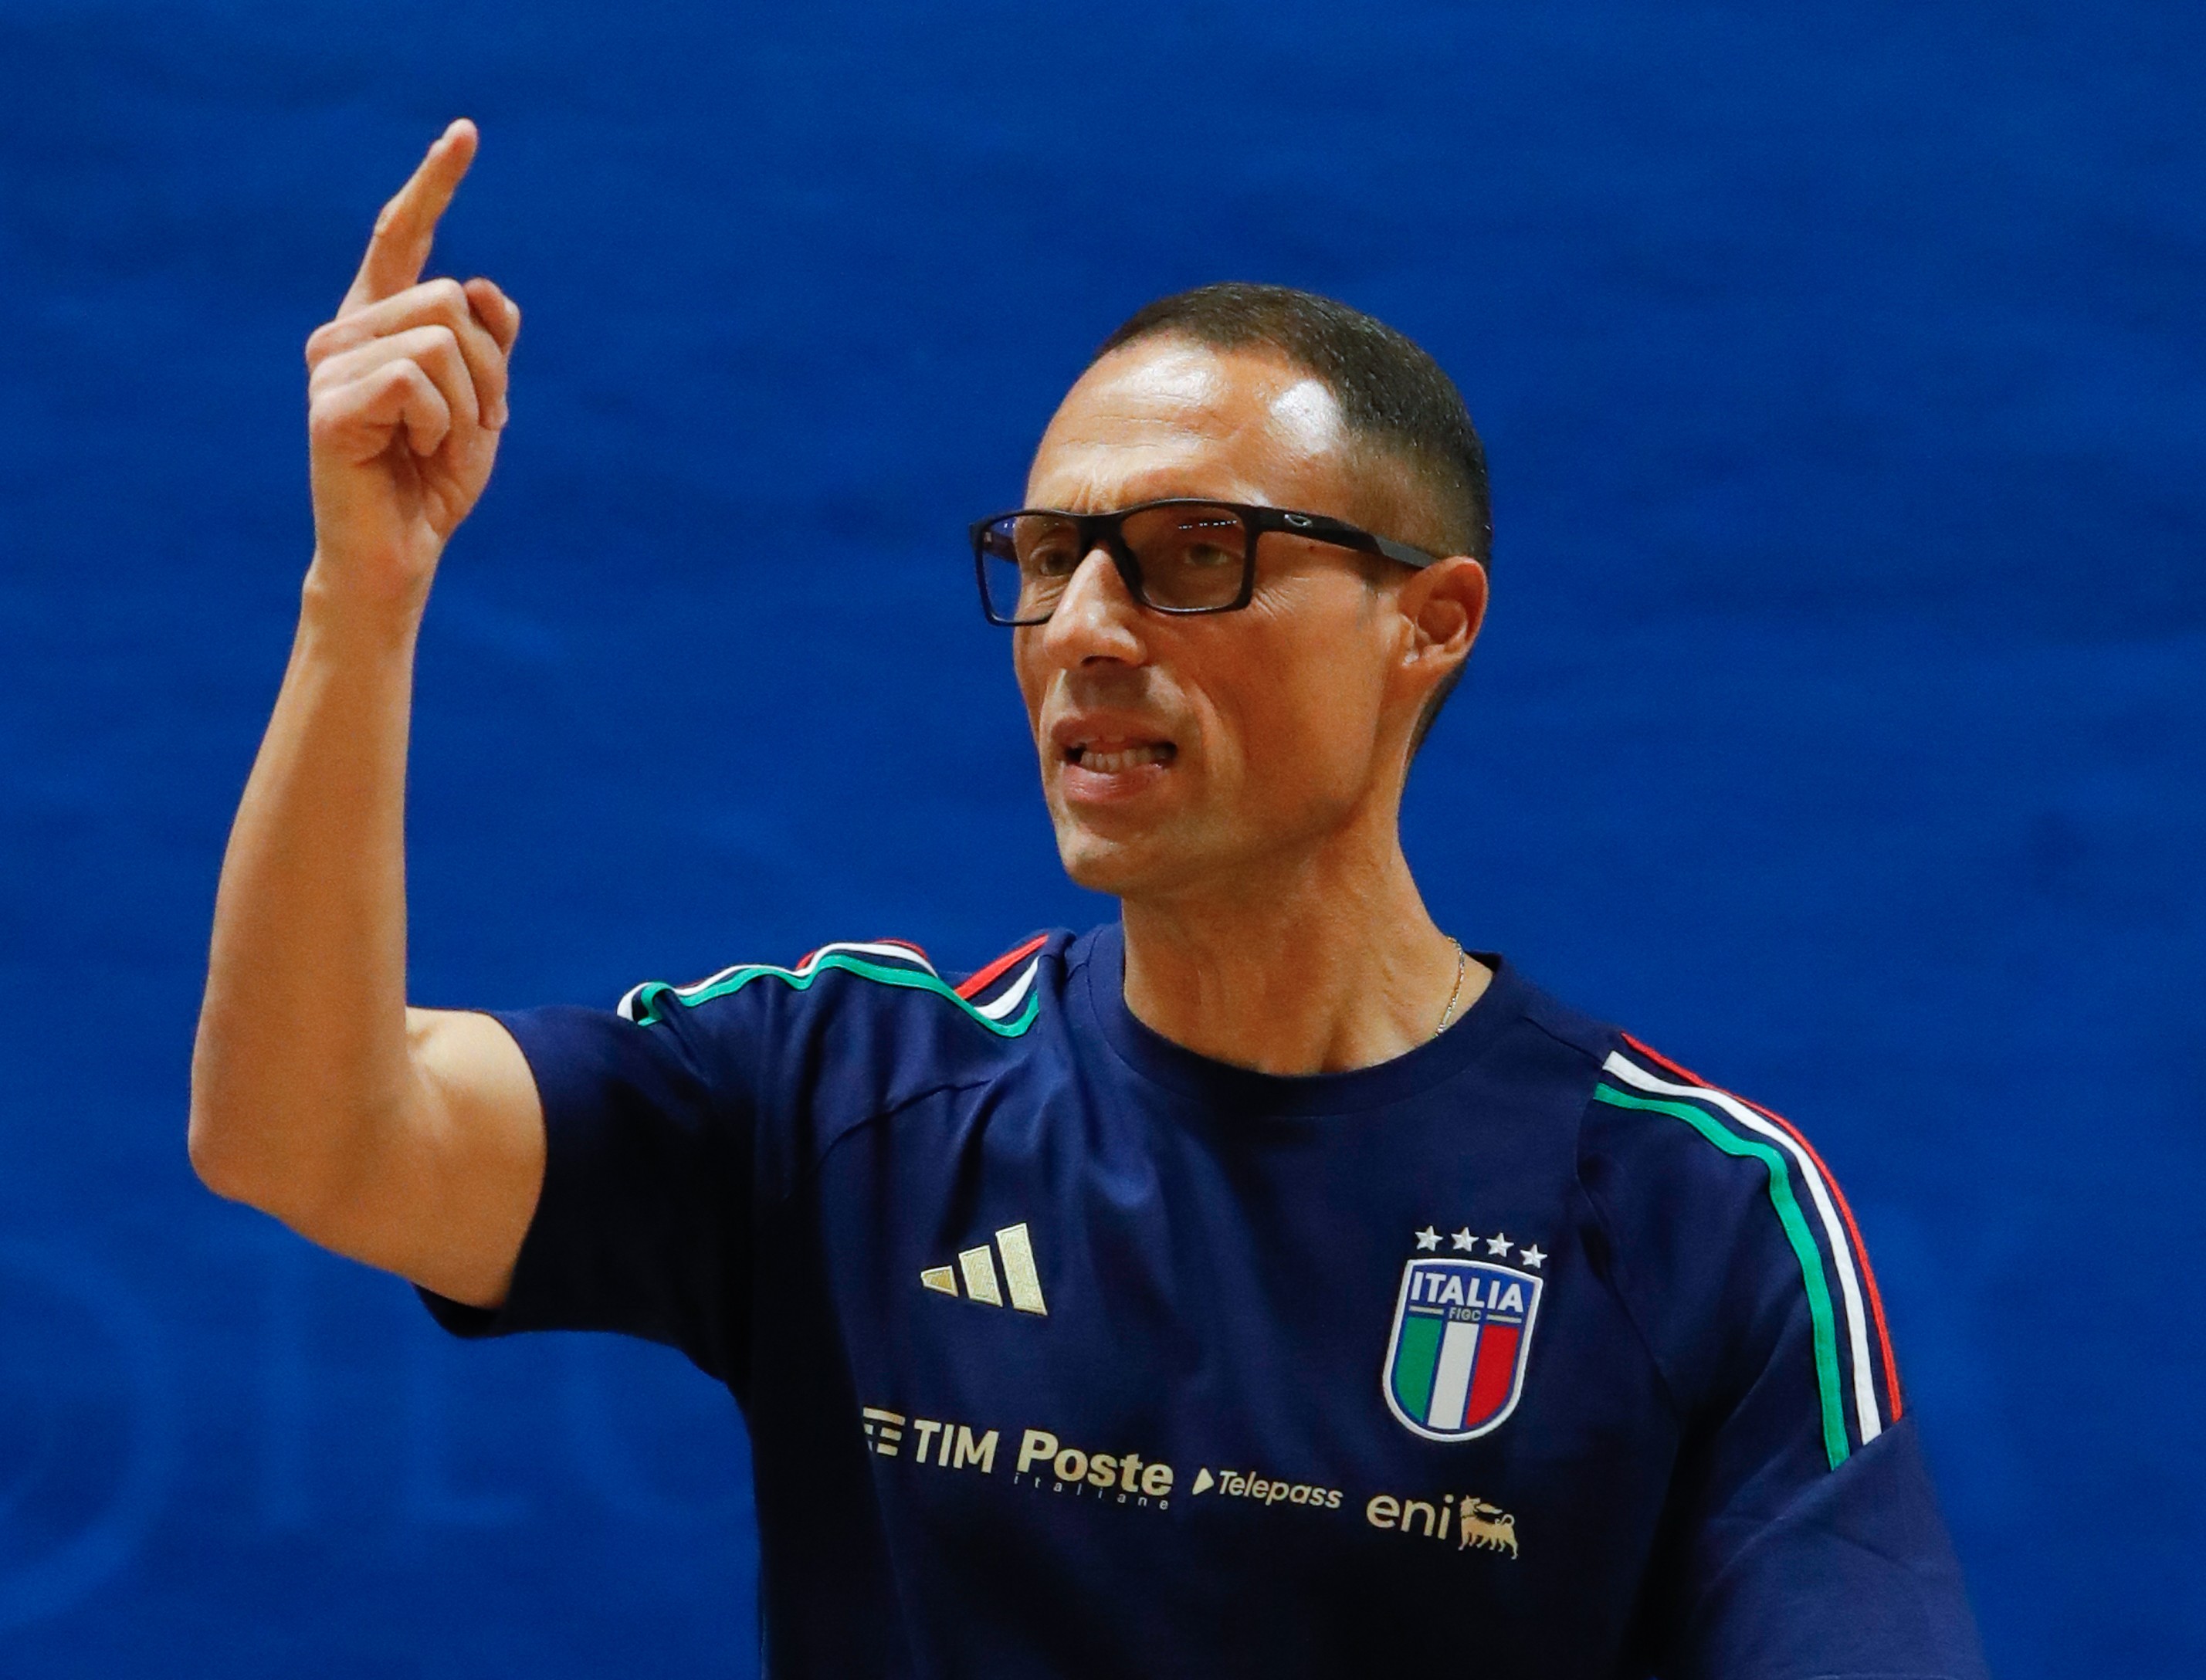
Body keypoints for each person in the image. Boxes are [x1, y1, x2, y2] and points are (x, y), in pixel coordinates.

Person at [190, 121, 1987, 1678]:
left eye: (1194, 553)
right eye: (1050, 558)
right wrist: (365, 595)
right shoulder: (844, 1099)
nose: (1087, 628)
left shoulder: (1694, 1215)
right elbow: (306, 1132)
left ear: (1427, 623)